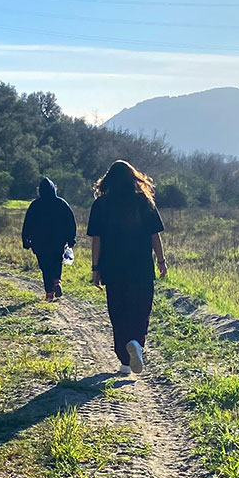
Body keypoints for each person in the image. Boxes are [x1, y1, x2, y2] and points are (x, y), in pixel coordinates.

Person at [87, 160, 167, 375]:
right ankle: (136, 343)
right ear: (134, 178)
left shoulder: (101, 205)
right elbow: (154, 235)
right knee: (141, 311)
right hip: (141, 267)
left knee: (118, 313)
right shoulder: (143, 201)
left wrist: (95, 268)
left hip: (112, 268)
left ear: (108, 181)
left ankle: (124, 361)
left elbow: (97, 239)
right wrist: (161, 261)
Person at [21, 177, 77, 301]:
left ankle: (49, 293)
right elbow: (71, 222)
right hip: (58, 241)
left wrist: (25, 240)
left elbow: (27, 224)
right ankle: (56, 281)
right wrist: (71, 238)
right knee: (57, 262)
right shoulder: (61, 203)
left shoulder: (35, 205)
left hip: (39, 243)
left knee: (45, 267)